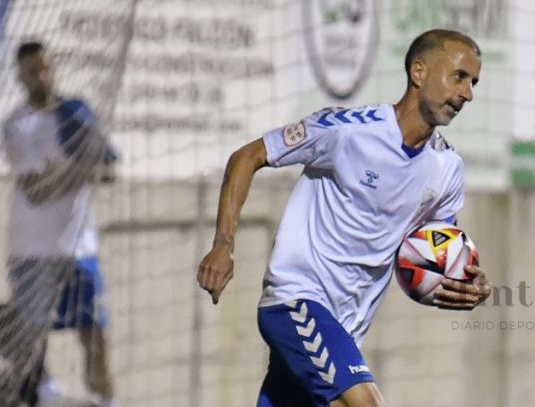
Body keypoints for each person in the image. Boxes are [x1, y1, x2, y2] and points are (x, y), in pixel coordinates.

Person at [197, 29, 492, 407]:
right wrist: (223, 244)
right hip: (296, 301)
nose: (467, 93)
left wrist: (468, 282)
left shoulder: (447, 168)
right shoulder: (347, 130)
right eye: (459, 77)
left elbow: (436, 251)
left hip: (347, 330)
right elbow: (247, 156)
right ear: (419, 72)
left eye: (474, 82)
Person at [1, 40, 117, 407]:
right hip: (31, 250)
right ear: (20, 75)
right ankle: (40, 397)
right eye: (32, 71)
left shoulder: (76, 114)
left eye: (45, 68)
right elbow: (35, 190)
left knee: (95, 334)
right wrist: (78, 171)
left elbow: (108, 168)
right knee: (33, 339)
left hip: (79, 247)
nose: (41, 76)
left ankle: (105, 400)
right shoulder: (16, 126)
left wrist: (62, 173)